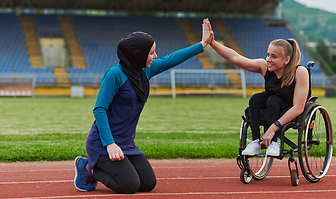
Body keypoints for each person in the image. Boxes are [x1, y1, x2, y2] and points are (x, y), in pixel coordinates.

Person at [73, 19, 213, 194]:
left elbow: (171, 59)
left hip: (126, 143)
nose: (155, 56)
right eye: (151, 52)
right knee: (129, 185)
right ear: (137, 54)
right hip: (102, 144)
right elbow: (99, 109)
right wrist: (109, 144)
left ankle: (108, 166)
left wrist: (202, 44)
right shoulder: (115, 74)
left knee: (148, 183)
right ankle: (88, 167)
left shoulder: (144, 71)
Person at [208, 23, 309, 157]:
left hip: (289, 108)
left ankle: (273, 143)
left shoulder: (299, 71)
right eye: (268, 55)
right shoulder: (264, 67)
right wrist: (213, 43)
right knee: (256, 99)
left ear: (287, 60)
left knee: (273, 100)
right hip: (272, 105)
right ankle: (256, 142)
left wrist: (273, 128)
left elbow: (298, 108)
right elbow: (236, 58)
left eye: (274, 56)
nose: (268, 60)